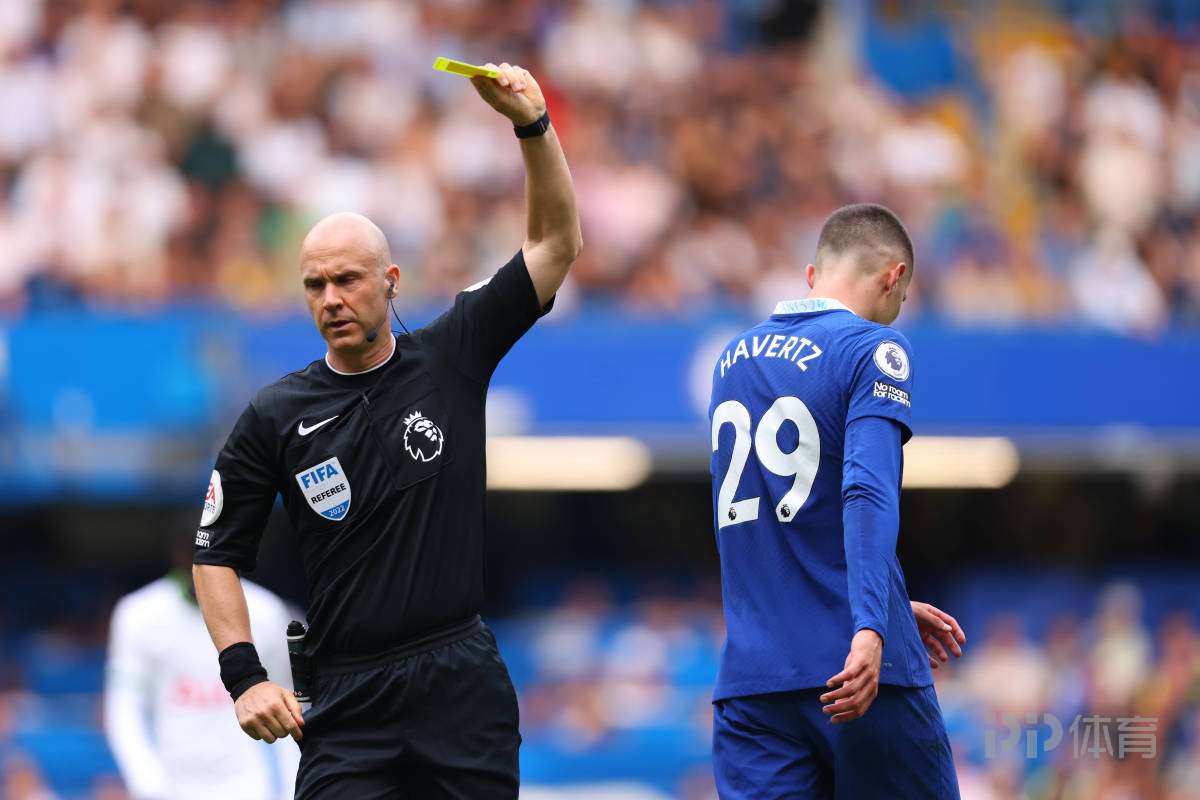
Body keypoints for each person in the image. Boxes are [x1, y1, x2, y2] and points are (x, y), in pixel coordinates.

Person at [190, 61, 580, 799]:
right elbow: (214, 554)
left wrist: (531, 125)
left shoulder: (452, 354)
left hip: (458, 683)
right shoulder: (275, 414)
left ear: (391, 281)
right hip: (347, 700)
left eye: (348, 280)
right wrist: (244, 676)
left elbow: (556, 244)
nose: (331, 299)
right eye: (315, 285)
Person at [707, 204, 966, 798]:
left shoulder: (731, 360)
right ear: (894, 278)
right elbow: (866, 493)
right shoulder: (874, 348)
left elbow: (768, 520)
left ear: (812, 275)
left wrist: (885, 598)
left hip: (753, 687)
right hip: (859, 673)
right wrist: (873, 621)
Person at [104, 553, 299, 800]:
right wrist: (148, 783)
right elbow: (124, 708)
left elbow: (289, 707)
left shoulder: (265, 610)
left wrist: (291, 787)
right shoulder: (139, 613)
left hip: (250, 787)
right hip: (172, 787)